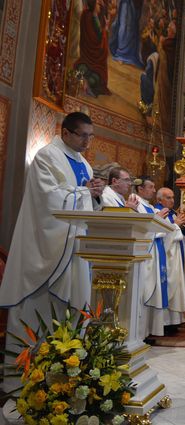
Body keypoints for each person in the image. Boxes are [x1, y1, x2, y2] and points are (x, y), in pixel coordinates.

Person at [0, 112, 104, 393]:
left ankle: (67, 376)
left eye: (90, 136)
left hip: (76, 246)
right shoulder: (46, 156)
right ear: (66, 132)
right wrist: (85, 193)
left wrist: (95, 194)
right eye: (83, 135)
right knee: (42, 311)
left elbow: (84, 200)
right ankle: (27, 382)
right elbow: (49, 199)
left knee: (73, 309)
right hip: (48, 246)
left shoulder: (84, 162)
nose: (87, 142)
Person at [133, 177, 170, 337]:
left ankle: (147, 332)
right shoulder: (136, 203)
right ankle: (140, 334)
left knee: (152, 290)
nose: (154, 190)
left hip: (154, 251)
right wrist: (159, 219)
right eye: (151, 187)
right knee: (144, 291)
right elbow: (140, 228)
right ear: (140, 189)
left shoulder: (147, 206)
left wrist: (160, 219)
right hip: (146, 252)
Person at [156, 187, 185, 332]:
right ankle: (165, 322)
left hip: (176, 255)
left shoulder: (171, 213)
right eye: (168, 198)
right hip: (167, 256)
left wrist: (181, 227)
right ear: (159, 200)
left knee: (177, 286)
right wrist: (176, 225)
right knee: (169, 286)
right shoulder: (157, 212)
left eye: (172, 197)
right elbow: (160, 233)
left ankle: (176, 321)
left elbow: (180, 233)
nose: (172, 200)